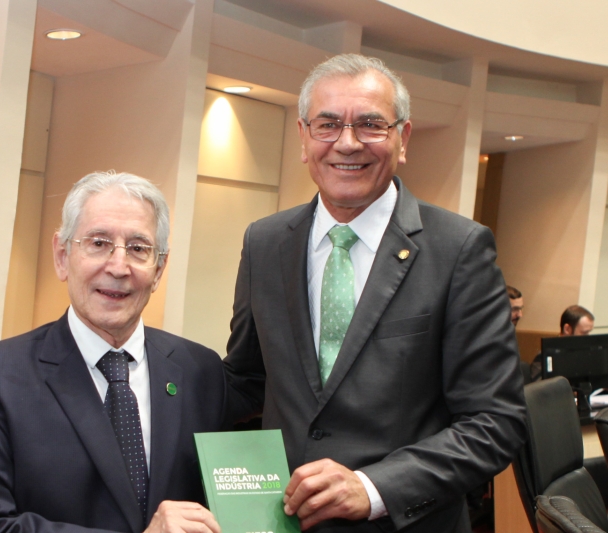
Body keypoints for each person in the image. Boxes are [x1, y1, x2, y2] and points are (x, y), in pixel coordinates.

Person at [223, 54, 527, 532]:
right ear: (303, 138)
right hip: (282, 521)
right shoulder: (264, 242)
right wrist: (144, 375)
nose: (347, 143)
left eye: (370, 124)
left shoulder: (459, 249)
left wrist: (372, 488)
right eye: (327, 124)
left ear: (402, 138)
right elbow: (245, 381)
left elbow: (495, 423)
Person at [0, 171, 225, 533]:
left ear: (159, 269)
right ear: (62, 256)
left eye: (139, 249)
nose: (119, 267)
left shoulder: (201, 370)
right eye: (99, 243)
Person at [530, 305, 595, 381]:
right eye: (584, 333)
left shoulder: (587, 352)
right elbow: (538, 387)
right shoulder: (545, 356)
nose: (587, 338)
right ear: (567, 329)